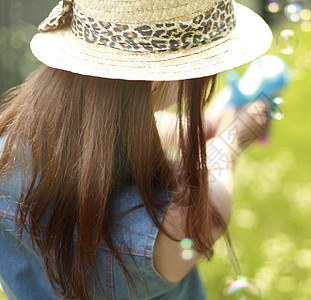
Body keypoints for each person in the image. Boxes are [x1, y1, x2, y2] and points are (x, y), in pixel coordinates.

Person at [0, 0, 272, 299]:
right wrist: (232, 136)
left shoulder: (9, 153)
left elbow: (113, 128)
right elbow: (209, 194)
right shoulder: (179, 227)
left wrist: (202, 124)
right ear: (159, 77)